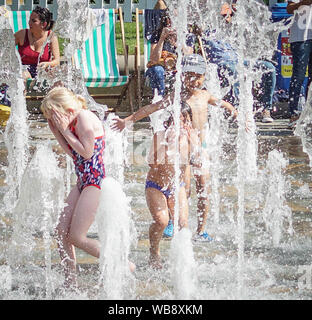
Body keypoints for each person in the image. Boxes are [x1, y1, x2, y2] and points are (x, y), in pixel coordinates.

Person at [111, 54, 238, 242]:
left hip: (200, 147)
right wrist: (127, 121)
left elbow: (225, 104)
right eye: (189, 75)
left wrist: (236, 113)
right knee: (182, 188)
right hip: (184, 149)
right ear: (181, 76)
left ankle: (201, 230)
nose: (193, 80)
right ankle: (172, 220)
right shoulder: (176, 96)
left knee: (203, 188)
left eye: (198, 76)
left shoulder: (205, 96)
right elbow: (151, 108)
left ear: (204, 77)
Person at [40, 87, 134, 289]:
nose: (53, 119)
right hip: (83, 181)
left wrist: (65, 131)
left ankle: (122, 263)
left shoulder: (84, 118)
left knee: (76, 236)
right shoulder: (72, 121)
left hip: (95, 182)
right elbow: (73, 154)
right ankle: (70, 281)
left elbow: (86, 152)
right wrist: (57, 132)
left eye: (53, 115)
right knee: (61, 231)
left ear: (64, 109)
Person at [146, 102, 200, 269]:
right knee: (162, 221)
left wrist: (194, 146)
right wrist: (167, 146)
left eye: (185, 120)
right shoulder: (160, 136)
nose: (181, 125)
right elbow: (151, 164)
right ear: (169, 122)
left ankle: (183, 260)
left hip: (177, 185)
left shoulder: (192, 137)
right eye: (177, 120)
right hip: (156, 185)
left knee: (183, 223)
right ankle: (154, 252)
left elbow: (199, 162)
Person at [202, 1, 276, 123]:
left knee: (269, 67)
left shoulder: (235, 27)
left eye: (229, 12)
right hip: (219, 63)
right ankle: (238, 108)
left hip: (239, 60)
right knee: (233, 69)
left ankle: (265, 109)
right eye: (224, 13)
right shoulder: (208, 26)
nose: (227, 16)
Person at [145, 9, 195, 97]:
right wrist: (162, 39)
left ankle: (182, 99)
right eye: (170, 18)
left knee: (187, 71)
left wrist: (177, 44)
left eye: (176, 18)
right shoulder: (157, 34)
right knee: (157, 70)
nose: (172, 21)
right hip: (161, 66)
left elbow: (189, 56)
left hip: (179, 67)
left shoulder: (187, 35)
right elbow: (153, 59)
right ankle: (160, 99)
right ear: (165, 20)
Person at [14, 6, 60, 81]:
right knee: (23, 75)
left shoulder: (51, 37)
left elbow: (57, 61)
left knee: (57, 79)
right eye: (29, 20)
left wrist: (47, 64)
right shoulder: (22, 34)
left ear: (44, 24)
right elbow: (5, 46)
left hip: (42, 72)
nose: (29, 23)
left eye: (33, 21)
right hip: (24, 70)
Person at [286, 0, 312, 127]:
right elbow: (289, 8)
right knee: (298, 76)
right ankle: (294, 114)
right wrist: (303, 3)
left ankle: (309, 114)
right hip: (301, 37)